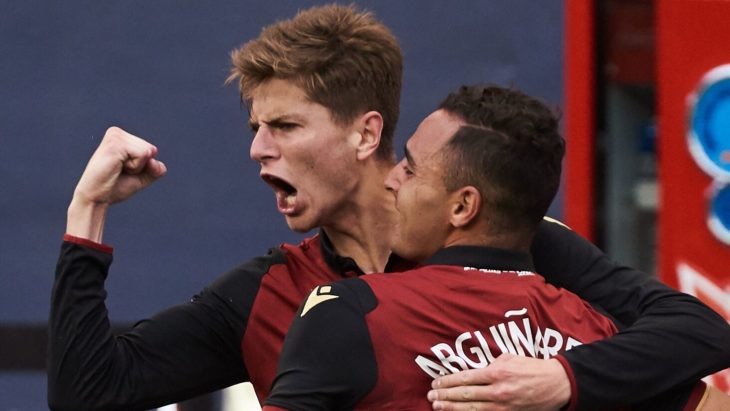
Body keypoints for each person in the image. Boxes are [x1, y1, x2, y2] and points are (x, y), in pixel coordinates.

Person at [47, 4, 730, 411]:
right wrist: (87, 216)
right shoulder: (268, 293)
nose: (257, 150)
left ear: (365, 132)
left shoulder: (523, 249)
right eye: (255, 128)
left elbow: (698, 333)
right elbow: (88, 392)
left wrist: (563, 378)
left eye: (283, 127)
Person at [262, 84, 718, 411]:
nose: (390, 177)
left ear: (463, 207)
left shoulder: (349, 312)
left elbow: (708, 332)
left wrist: (565, 378)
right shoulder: (604, 332)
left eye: (412, 168)